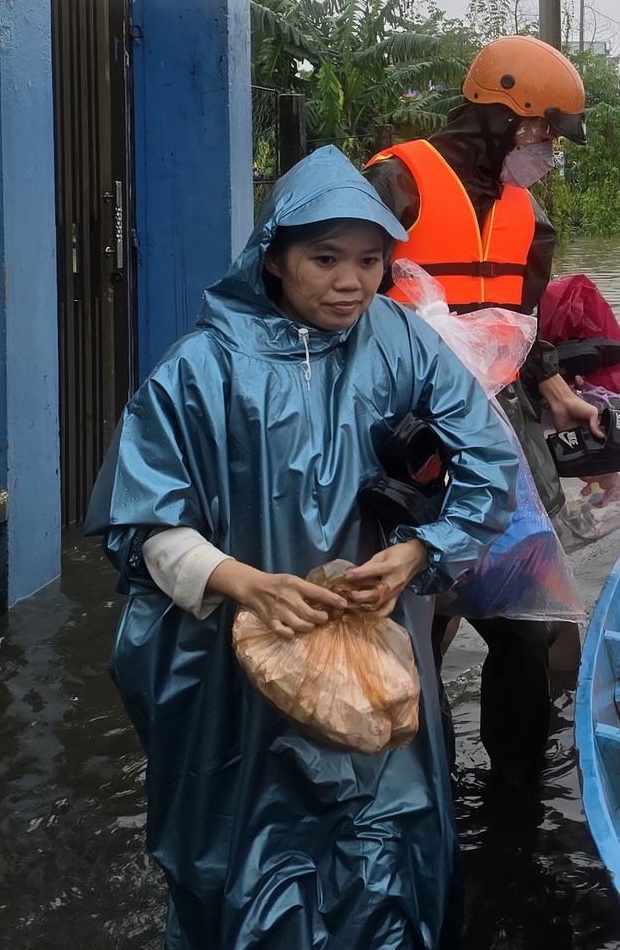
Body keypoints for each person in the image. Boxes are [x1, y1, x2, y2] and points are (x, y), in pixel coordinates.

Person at [94, 146, 518, 949]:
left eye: (368, 259)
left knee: (385, 840)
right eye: (325, 258)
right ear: (276, 257)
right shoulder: (200, 371)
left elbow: (489, 462)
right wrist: (244, 583)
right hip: (235, 663)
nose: (350, 281)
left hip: (375, 650)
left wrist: (423, 549)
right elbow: (143, 523)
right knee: (249, 848)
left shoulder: (402, 342)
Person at [364, 34, 600, 789]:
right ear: (509, 117)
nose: (546, 153)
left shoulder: (527, 211)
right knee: (410, 621)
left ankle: (515, 789)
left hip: (496, 432)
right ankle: (410, 783)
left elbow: (523, 319)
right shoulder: (398, 180)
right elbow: (330, 290)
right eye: (544, 134)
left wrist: (556, 387)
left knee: (525, 623)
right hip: (401, 428)